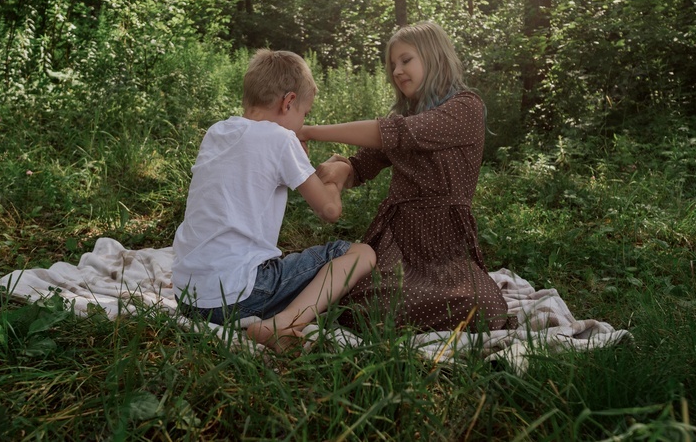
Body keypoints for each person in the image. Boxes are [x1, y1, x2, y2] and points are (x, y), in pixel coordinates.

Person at [302, 22, 509, 332]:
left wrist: (309, 131)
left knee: (487, 308)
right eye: (392, 65)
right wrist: (343, 168)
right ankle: (360, 303)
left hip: (446, 244)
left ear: (434, 56)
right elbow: (363, 165)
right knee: (360, 304)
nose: (397, 71)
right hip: (398, 239)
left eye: (406, 60)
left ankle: (392, 307)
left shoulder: (466, 107)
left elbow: (397, 134)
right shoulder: (408, 117)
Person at [172, 49, 376, 352]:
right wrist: (335, 175)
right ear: (288, 102)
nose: (302, 124)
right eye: (305, 114)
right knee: (361, 253)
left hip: (188, 296)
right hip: (237, 297)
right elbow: (330, 210)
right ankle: (284, 323)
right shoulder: (281, 139)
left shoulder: (216, 132)